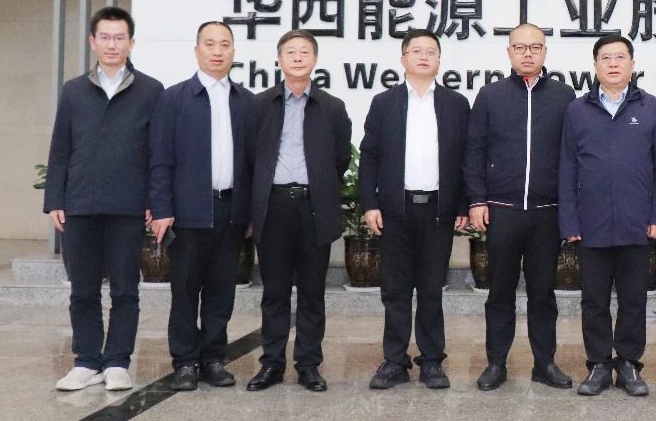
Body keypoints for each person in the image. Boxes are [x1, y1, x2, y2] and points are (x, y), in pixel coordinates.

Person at [45, 6, 163, 392]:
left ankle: (117, 361)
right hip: (79, 205)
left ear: (131, 42)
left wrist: (155, 201)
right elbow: (60, 148)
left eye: (119, 38)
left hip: (128, 207)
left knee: (126, 289)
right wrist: (55, 199)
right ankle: (86, 361)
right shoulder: (74, 91)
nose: (112, 45)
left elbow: (157, 153)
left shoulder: (150, 91)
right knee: (83, 289)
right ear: (93, 42)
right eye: (105, 37)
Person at [559, 35, 656, 397]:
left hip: (637, 223)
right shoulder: (577, 110)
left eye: (620, 57)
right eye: (605, 58)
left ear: (632, 65)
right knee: (593, 300)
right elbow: (566, 168)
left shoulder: (651, 107)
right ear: (594, 65)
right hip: (590, 225)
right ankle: (598, 365)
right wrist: (569, 222)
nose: (612, 63)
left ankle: (628, 364)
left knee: (633, 299)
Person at [465, 24, 575, 391]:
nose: (528, 53)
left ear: (545, 52)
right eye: (520, 47)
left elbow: (572, 154)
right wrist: (477, 199)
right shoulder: (490, 95)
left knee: (543, 293)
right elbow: (475, 150)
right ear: (509, 52)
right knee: (500, 291)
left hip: (548, 212)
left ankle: (545, 363)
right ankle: (496, 363)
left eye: (535, 47)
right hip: (502, 210)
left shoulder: (564, 96)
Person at [360, 29, 470, 391]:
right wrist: (370, 203)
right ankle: (394, 361)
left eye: (431, 51)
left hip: (438, 210)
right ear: (403, 59)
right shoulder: (384, 103)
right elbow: (369, 157)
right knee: (395, 289)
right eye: (417, 51)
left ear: (439, 60)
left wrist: (464, 204)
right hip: (395, 210)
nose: (424, 57)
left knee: (431, 288)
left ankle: (432, 360)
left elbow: (466, 159)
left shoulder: (456, 104)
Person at [149, 21, 254, 391]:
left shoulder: (246, 101)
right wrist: (161, 207)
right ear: (197, 51)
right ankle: (185, 362)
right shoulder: (173, 98)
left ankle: (213, 358)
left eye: (224, 44)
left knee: (221, 290)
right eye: (210, 44)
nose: (217, 51)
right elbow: (159, 158)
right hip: (187, 211)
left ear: (233, 51)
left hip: (231, 210)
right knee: (184, 291)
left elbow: (254, 162)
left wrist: (250, 212)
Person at [245, 30, 351, 392]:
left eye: (305, 52)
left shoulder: (332, 107)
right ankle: (271, 364)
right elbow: (250, 156)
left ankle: (308, 364)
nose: (298, 57)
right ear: (279, 60)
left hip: (313, 206)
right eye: (290, 52)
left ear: (315, 60)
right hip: (273, 206)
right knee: (274, 291)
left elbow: (339, 159)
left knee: (312, 291)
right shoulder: (259, 105)